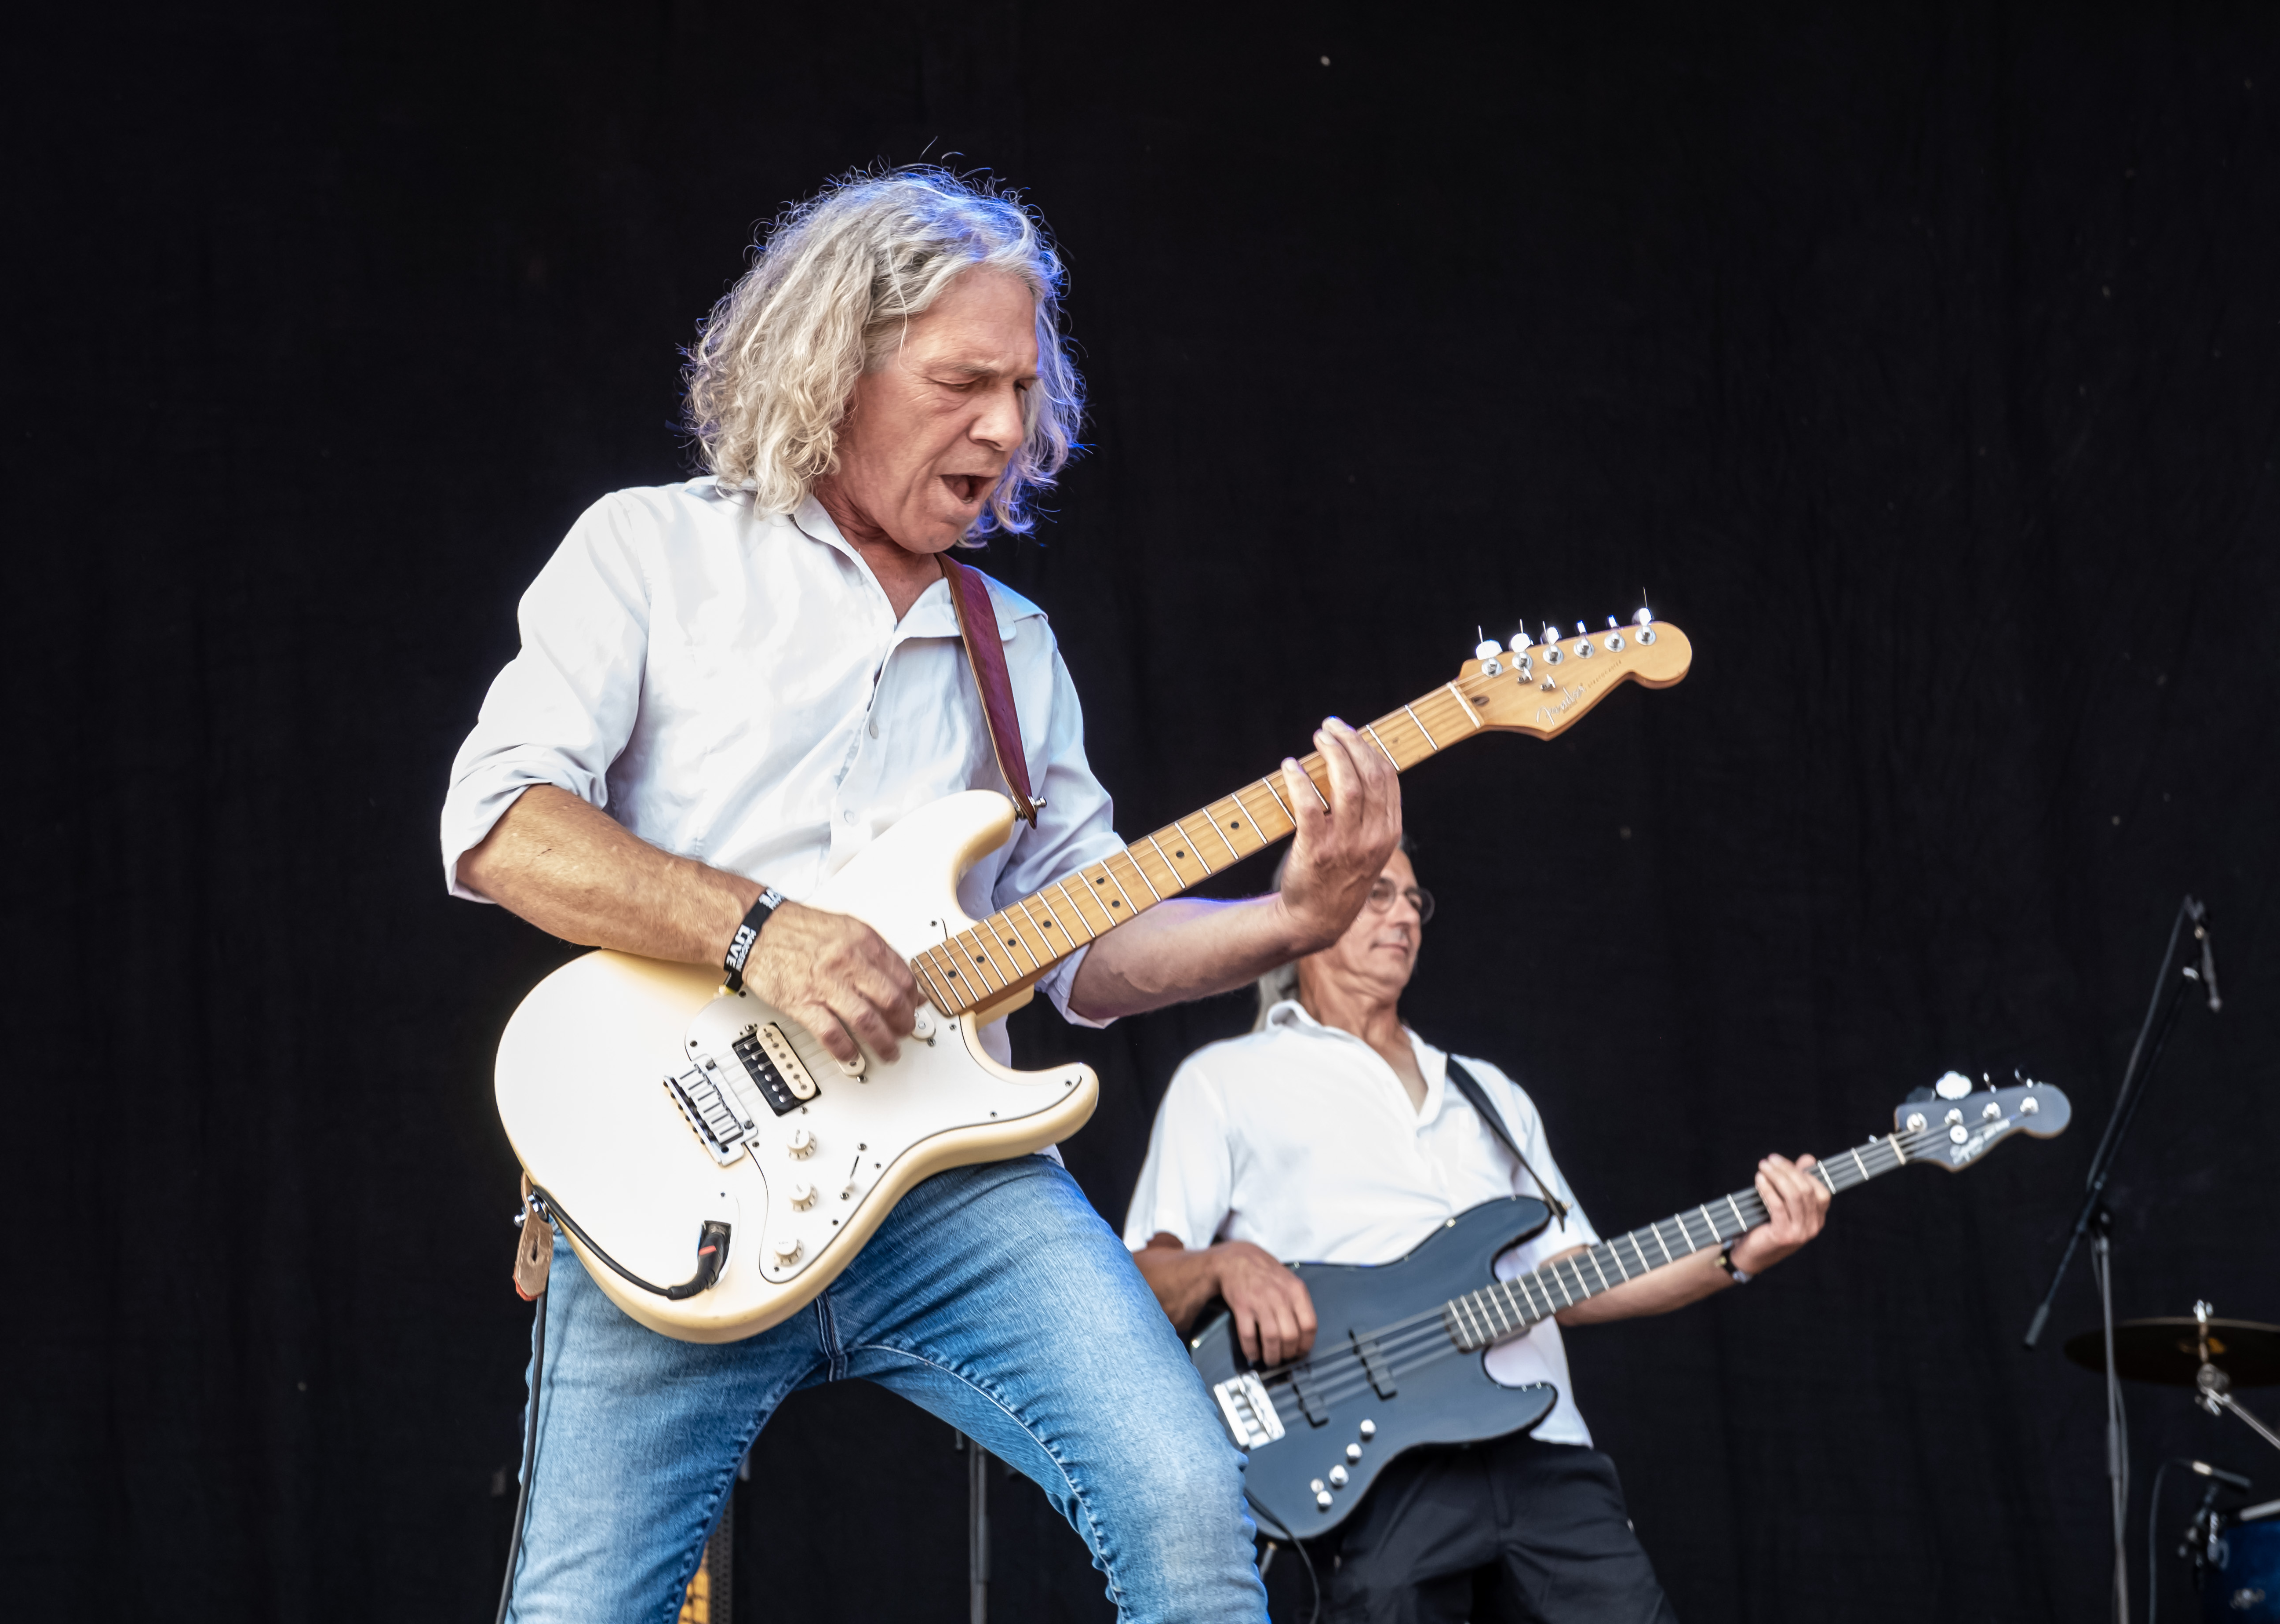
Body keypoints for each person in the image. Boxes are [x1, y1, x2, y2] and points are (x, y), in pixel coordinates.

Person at [443, 166, 1403, 1624]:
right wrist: (759, 933)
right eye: (963, 383)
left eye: (1023, 388)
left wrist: (1294, 922)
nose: (1007, 429)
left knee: (1187, 1507)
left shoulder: (1014, 645)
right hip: (681, 1182)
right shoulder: (651, 552)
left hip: (953, 1188)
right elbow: (502, 824)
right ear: (834, 368)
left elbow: (1085, 946)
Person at [1124, 842, 1832, 1624]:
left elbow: (1578, 1276)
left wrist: (1740, 1256)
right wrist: (1227, 1264)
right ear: (1313, 906)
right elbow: (1137, 1282)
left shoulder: (1489, 1093)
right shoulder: (1227, 1080)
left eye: (1414, 900)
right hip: (1381, 1467)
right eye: (1378, 894)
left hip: (1543, 1450)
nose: (1404, 916)